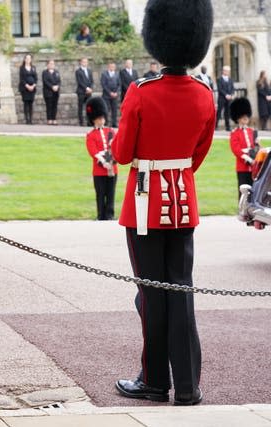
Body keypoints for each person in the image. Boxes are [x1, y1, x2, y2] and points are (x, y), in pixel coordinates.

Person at [113, 0, 214, 406]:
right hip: (183, 202)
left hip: (144, 205)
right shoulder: (205, 94)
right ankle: (187, 384)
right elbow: (198, 155)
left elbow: (122, 154)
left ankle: (155, 381)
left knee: (152, 293)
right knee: (181, 290)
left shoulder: (141, 92)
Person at [85, 97, 118, 220]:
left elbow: (114, 146)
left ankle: (110, 214)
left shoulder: (110, 131)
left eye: (102, 118)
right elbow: (93, 151)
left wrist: (111, 161)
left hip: (112, 168)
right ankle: (101, 215)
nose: (101, 120)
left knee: (111, 193)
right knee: (100, 194)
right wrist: (104, 161)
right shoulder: (91, 135)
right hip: (99, 170)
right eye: (99, 118)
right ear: (94, 120)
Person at [229, 97, 259, 197]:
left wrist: (257, 144)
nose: (245, 117)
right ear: (238, 118)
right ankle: (243, 211)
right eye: (243, 116)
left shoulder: (251, 131)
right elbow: (236, 150)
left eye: (246, 116)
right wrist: (249, 159)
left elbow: (255, 148)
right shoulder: (235, 133)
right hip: (242, 167)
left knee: (253, 190)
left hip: (254, 167)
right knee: (243, 191)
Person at [19, 54, 37, 125]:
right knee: (26, 103)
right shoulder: (22, 68)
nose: (28, 60)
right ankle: (27, 119)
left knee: (31, 104)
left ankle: (31, 120)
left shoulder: (33, 68)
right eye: (27, 58)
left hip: (32, 88)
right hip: (25, 88)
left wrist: (33, 85)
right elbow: (22, 79)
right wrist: (27, 86)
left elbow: (36, 78)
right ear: (24, 59)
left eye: (29, 58)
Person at [101, 62, 121, 128]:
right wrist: (110, 93)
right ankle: (106, 123)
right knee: (106, 109)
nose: (112, 68)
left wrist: (116, 93)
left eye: (113, 66)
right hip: (106, 95)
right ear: (108, 67)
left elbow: (119, 84)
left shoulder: (117, 74)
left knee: (114, 110)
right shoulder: (104, 74)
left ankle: (114, 123)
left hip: (115, 95)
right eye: (111, 66)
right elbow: (103, 85)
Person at [75, 57, 93, 126]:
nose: (85, 63)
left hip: (89, 92)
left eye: (86, 62)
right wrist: (86, 88)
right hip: (81, 92)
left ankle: (89, 121)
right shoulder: (78, 71)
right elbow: (80, 82)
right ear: (81, 62)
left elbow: (91, 80)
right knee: (80, 107)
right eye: (83, 62)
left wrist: (90, 88)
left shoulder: (89, 71)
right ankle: (81, 122)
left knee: (89, 107)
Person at [42, 59, 61, 125]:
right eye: (50, 64)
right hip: (48, 92)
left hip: (56, 92)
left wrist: (57, 86)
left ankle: (54, 119)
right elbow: (45, 81)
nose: (52, 65)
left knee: (54, 106)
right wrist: (52, 87)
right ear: (47, 65)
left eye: (53, 64)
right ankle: (49, 119)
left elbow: (59, 81)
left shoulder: (56, 72)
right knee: (49, 106)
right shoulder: (45, 72)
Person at [216, 66, 235, 131]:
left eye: (228, 71)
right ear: (223, 71)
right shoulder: (219, 79)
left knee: (227, 113)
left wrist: (231, 95)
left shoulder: (230, 80)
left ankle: (228, 127)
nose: (227, 72)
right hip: (221, 98)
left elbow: (232, 88)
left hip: (229, 99)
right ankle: (215, 126)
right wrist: (226, 95)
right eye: (226, 71)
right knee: (219, 112)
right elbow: (220, 89)